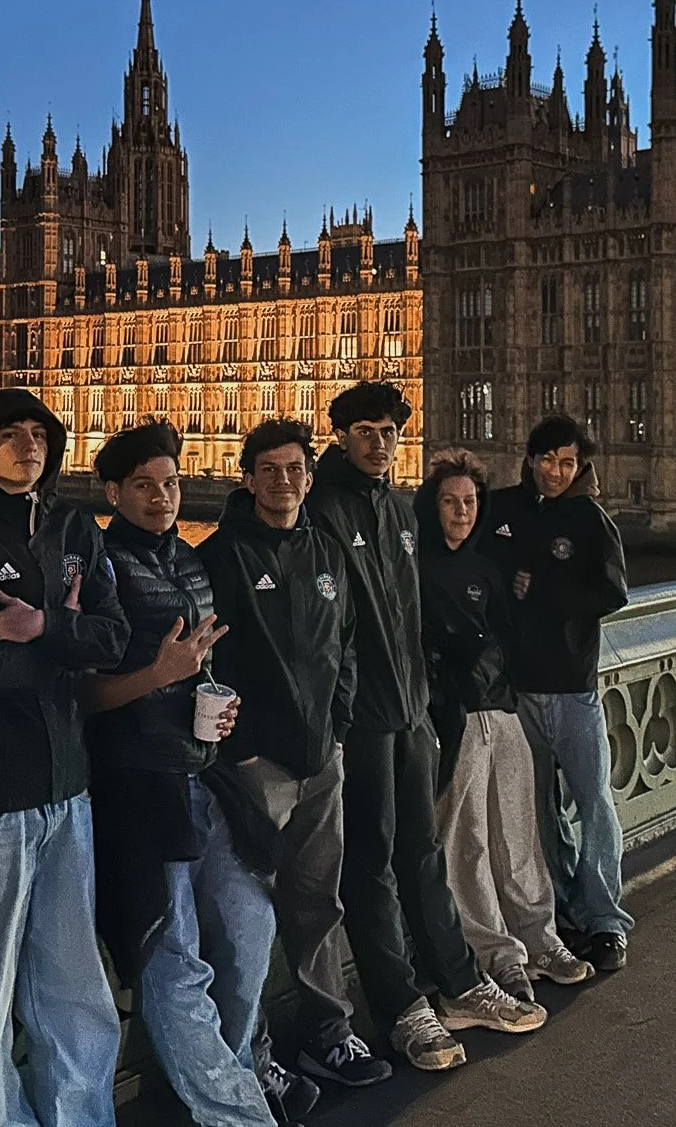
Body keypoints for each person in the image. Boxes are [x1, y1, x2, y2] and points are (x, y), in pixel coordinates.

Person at [307, 381, 545, 1073]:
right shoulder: (322, 507)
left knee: (423, 852)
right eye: (366, 431)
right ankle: (402, 1006)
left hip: (411, 708)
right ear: (342, 436)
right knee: (372, 864)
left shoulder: (399, 510)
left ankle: (459, 980)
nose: (379, 443)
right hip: (361, 718)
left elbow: (414, 609)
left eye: (388, 431)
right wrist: (344, 707)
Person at [0, 390, 130, 1127]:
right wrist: (67, 641)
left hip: (67, 786)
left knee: (74, 986)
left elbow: (114, 639)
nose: (29, 445)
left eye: (39, 433)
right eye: (10, 434)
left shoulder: (75, 525)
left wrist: (45, 624)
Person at [83, 420, 278, 1127]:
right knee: (175, 958)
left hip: (203, 776)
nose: (162, 496)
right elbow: (83, 692)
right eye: (144, 485)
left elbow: (205, 664)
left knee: (251, 925)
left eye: (170, 483)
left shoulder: (191, 562)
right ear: (113, 491)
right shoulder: (100, 566)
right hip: (140, 785)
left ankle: (221, 1078)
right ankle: (238, 1113)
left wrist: (215, 707)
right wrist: (157, 675)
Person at [198, 418, 382, 1108]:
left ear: (311, 474)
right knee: (243, 920)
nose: (284, 481)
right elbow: (206, 659)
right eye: (269, 469)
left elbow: (348, 645)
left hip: (320, 757)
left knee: (316, 903)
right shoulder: (220, 555)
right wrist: (239, 749)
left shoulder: (327, 551)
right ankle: (252, 1053)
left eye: (296, 468)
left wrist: (335, 725)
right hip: (256, 766)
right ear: (246, 477)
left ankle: (325, 1030)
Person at [416, 450, 594, 1005]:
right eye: (450, 502)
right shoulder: (414, 567)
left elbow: (507, 635)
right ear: (433, 506)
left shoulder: (487, 566)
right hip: (456, 718)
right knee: (465, 843)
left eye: (470, 502)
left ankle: (538, 937)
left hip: (502, 711)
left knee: (519, 834)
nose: (461, 512)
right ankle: (497, 955)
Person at [477, 416, 634, 974]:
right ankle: (567, 904)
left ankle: (605, 919)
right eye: (547, 461)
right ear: (531, 458)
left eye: (566, 463)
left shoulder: (591, 520)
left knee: (595, 803)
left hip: (572, 686)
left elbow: (614, 592)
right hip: (516, 689)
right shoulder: (502, 508)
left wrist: (543, 590)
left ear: (579, 466)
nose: (555, 472)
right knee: (539, 810)